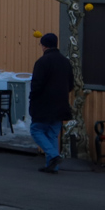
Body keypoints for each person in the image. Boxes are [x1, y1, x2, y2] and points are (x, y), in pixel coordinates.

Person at [29, 32, 73, 174]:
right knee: (52, 134)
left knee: (36, 130)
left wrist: (33, 97)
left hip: (44, 103)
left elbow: (37, 84)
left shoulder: (42, 62)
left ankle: (53, 156)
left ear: (44, 45)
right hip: (61, 104)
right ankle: (52, 166)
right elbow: (71, 84)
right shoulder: (65, 62)